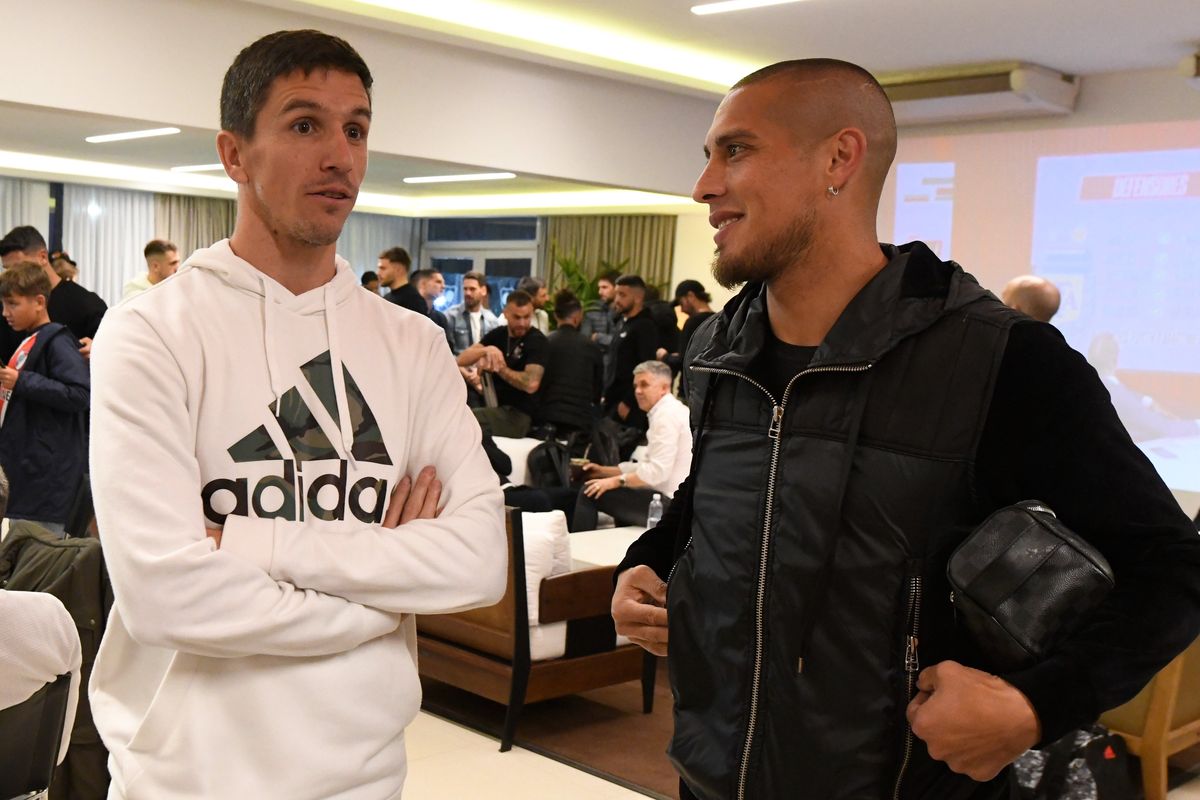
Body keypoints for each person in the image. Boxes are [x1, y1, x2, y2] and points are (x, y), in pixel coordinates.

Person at [611, 58, 1200, 800]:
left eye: (736, 150)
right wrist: (648, 560)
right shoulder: (717, 348)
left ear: (839, 159)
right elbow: (713, 500)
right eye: (708, 156)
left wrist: (1033, 705)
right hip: (710, 776)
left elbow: (1171, 568)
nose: (704, 186)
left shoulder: (1001, 359)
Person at [88, 30, 505, 800]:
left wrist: (253, 542)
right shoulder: (150, 332)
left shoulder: (412, 344)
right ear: (234, 154)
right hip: (183, 780)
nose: (340, 156)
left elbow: (478, 562)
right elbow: (165, 597)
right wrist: (387, 591)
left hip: (368, 776)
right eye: (305, 124)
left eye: (357, 129)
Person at [0, 262, 90, 536]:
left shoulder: (57, 341)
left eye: (13, 304)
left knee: (39, 550)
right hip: (27, 469)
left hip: (46, 475)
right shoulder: (31, 341)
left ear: (39, 302)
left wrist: (21, 381)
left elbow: (79, 394)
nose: (5, 313)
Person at [574, 360, 689, 530]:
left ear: (664, 388)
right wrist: (603, 471)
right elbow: (646, 467)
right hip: (674, 500)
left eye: (644, 385)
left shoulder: (666, 417)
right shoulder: (671, 411)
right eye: (635, 386)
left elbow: (657, 472)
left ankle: (579, 546)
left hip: (667, 504)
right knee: (608, 486)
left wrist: (615, 481)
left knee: (589, 491)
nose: (638, 391)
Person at [0, 226, 107, 359]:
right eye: (7, 269)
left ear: (43, 257)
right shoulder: (6, 310)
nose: (12, 275)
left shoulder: (86, 304)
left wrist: (98, 348)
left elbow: (111, 348)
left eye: (18, 266)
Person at [457, 289, 547, 438]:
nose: (522, 323)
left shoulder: (537, 341)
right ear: (506, 313)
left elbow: (531, 384)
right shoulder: (499, 334)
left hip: (520, 415)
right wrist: (486, 350)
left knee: (462, 419)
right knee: (457, 413)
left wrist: (499, 367)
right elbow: (461, 359)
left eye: (527, 317)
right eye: (517, 317)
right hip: (495, 406)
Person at [537, 289, 603, 438]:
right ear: (578, 317)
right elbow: (596, 390)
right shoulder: (591, 347)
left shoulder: (545, 343)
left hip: (547, 417)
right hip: (580, 419)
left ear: (555, 315)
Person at [603, 274, 659, 430]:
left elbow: (646, 367)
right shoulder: (622, 322)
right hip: (612, 399)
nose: (617, 300)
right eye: (616, 294)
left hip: (629, 404)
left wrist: (628, 401)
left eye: (622, 295)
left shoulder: (645, 326)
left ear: (638, 298)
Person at [658, 278, 716, 399]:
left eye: (681, 302)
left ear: (690, 296)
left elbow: (684, 361)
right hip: (710, 390)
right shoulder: (718, 320)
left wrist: (665, 356)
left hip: (690, 391)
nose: (682, 309)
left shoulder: (692, 322)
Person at [444, 270, 501, 355]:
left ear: (483, 290)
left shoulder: (491, 320)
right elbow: (446, 350)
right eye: (465, 289)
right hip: (457, 362)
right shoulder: (450, 316)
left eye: (472, 289)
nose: (467, 293)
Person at [377, 245, 425, 313]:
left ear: (398, 269)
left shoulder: (414, 301)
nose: (378, 273)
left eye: (383, 268)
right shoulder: (387, 298)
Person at [411, 267, 450, 336]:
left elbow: (447, 342)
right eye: (438, 282)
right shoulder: (407, 313)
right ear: (423, 284)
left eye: (443, 283)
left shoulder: (440, 318)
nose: (443, 286)